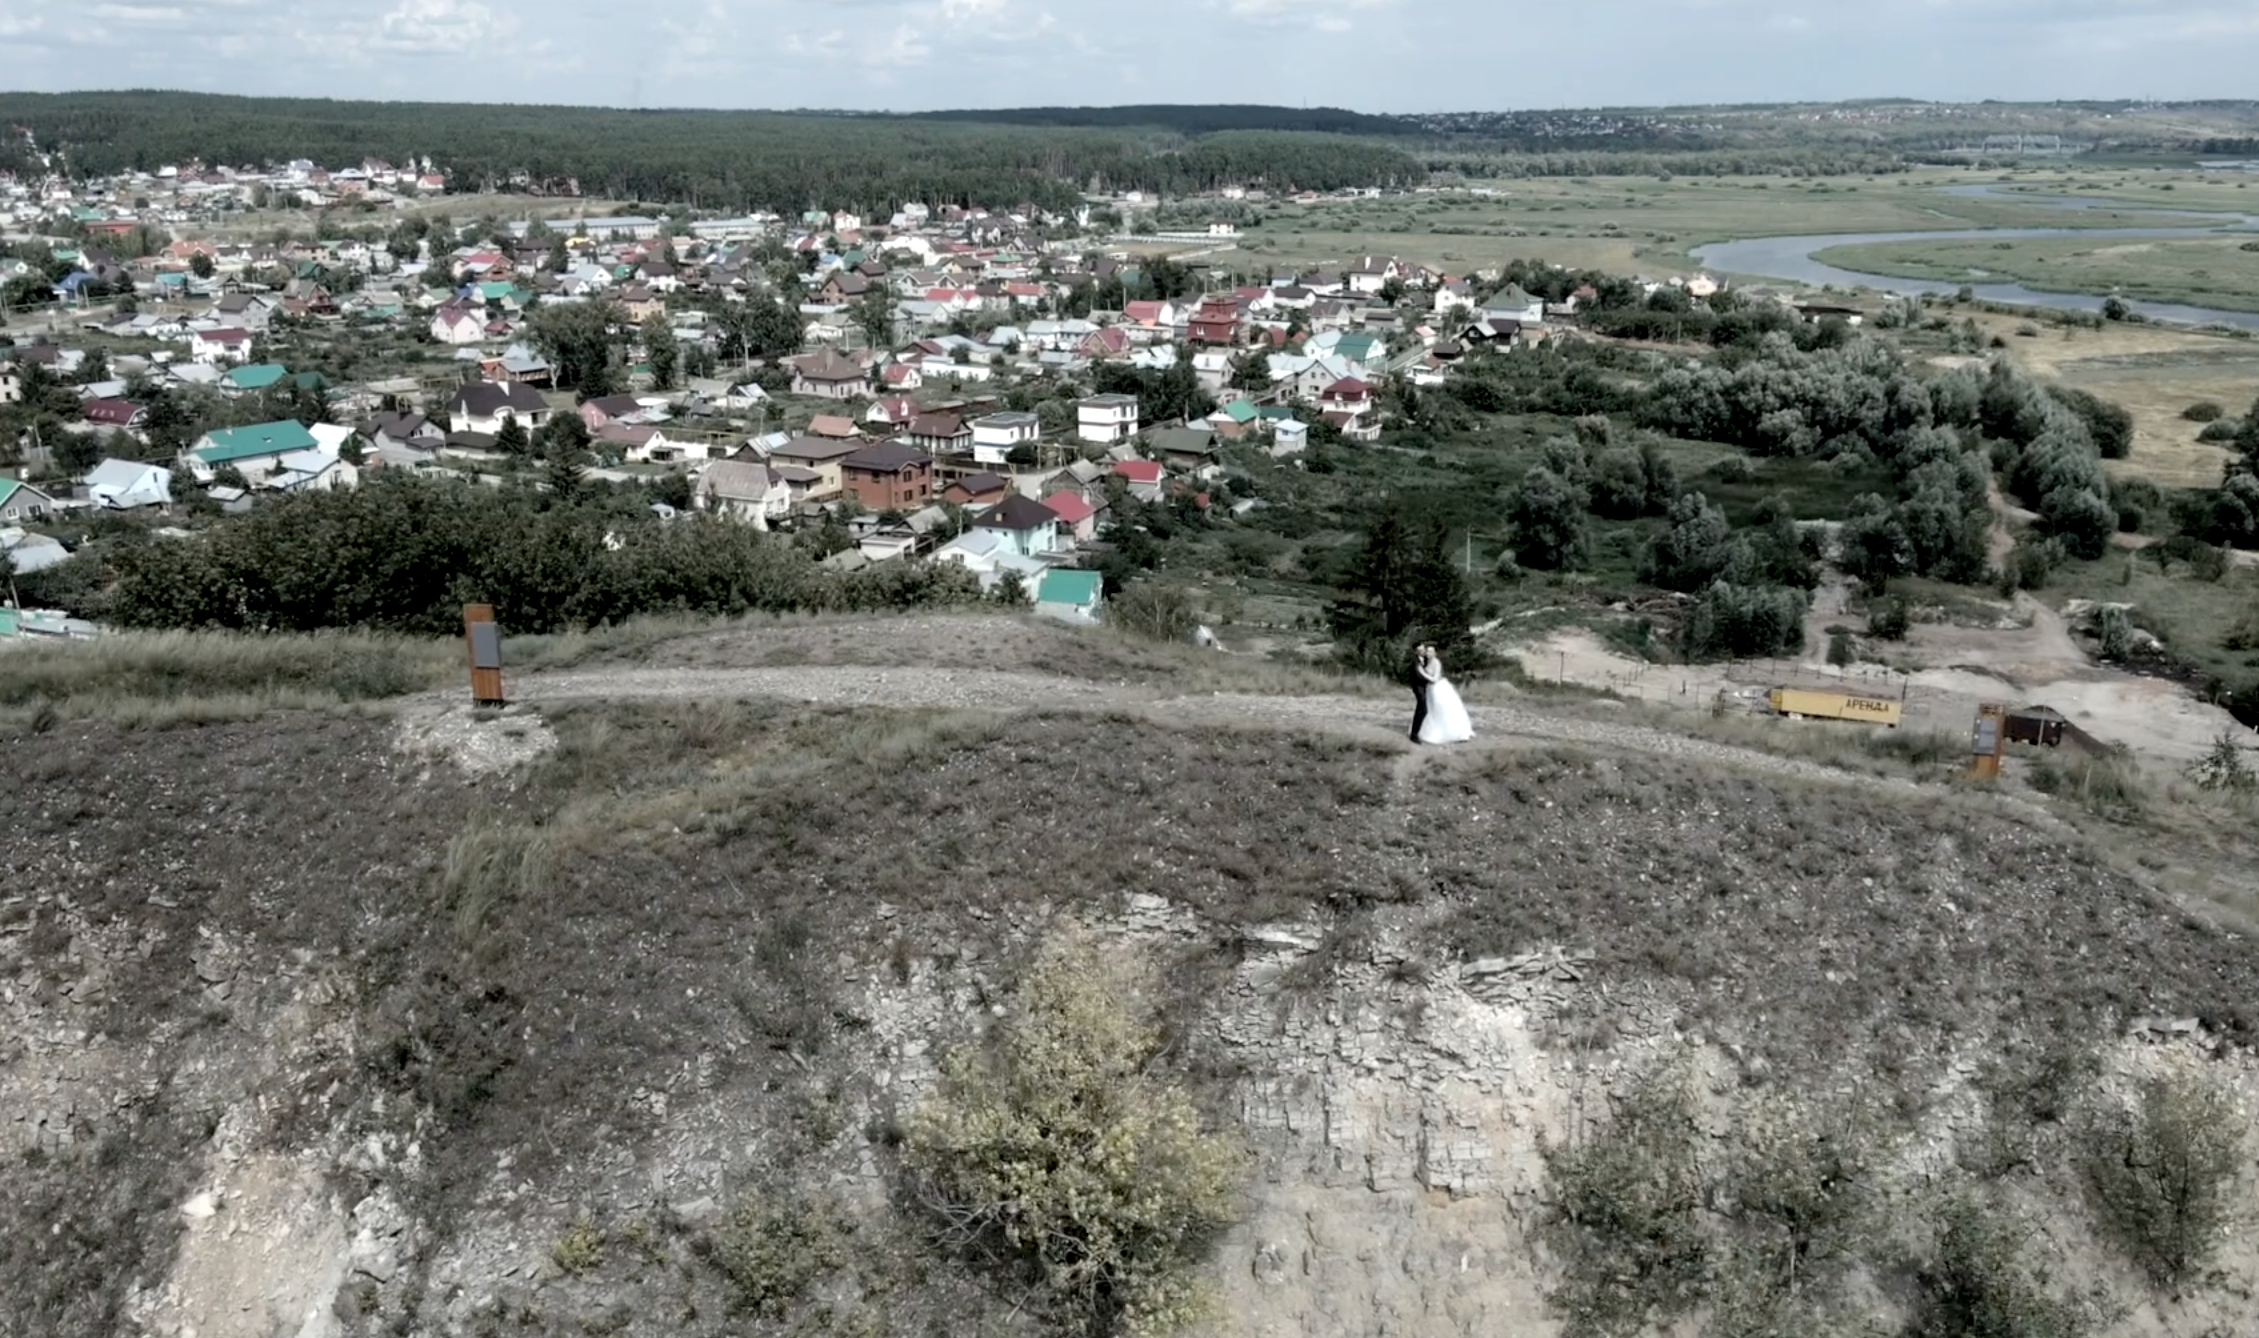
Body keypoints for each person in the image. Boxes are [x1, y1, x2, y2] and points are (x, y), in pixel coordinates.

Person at [1414, 644, 1474, 745]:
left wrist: (1423, 674)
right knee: (1432, 710)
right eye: (1427, 651)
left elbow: (1435, 679)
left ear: (1435, 653)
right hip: (1430, 689)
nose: (1428, 653)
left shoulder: (1436, 663)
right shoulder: (1426, 662)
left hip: (1437, 688)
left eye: (1431, 651)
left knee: (1443, 710)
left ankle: (1450, 732)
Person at [1407, 642, 1436, 741]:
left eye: (1424, 649)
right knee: (1423, 710)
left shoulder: (1426, 659)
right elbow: (1419, 676)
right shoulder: (1415, 662)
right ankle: (1414, 734)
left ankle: (1414, 732)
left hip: (1424, 687)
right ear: (1416, 652)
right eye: (1421, 650)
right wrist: (1431, 680)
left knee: (1420, 709)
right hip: (1418, 688)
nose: (1423, 651)